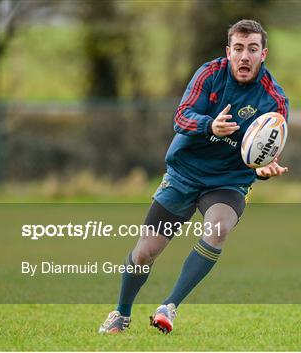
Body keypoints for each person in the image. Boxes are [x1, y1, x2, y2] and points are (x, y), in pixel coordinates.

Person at [99, 19, 289, 334]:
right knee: (146, 251)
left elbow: (268, 153)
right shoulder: (210, 74)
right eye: (238, 49)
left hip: (229, 181)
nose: (244, 57)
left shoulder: (274, 100)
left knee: (219, 228)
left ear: (263, 53)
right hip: (184, 173)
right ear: (228, 51)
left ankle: (169, 306)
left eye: (252, 49)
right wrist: (210, 126)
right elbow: (181, 116)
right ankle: (121, 313)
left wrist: (266, 170)